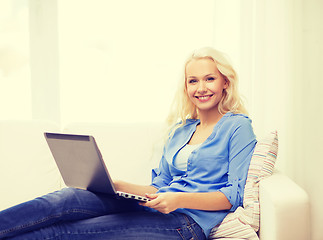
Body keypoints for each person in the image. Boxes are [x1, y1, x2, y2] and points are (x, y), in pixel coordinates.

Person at [0, 47, 256, 240]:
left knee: (64, 232)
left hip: (186, 223)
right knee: (67, 199)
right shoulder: (181, 131)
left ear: (225, 82)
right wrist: (117, 185)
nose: (201, 87)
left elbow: (232, 196)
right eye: (193, 80)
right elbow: (159, 187)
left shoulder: (238, 127)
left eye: (209, 79)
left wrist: (179, 200)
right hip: (156, 209)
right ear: (186, 87)